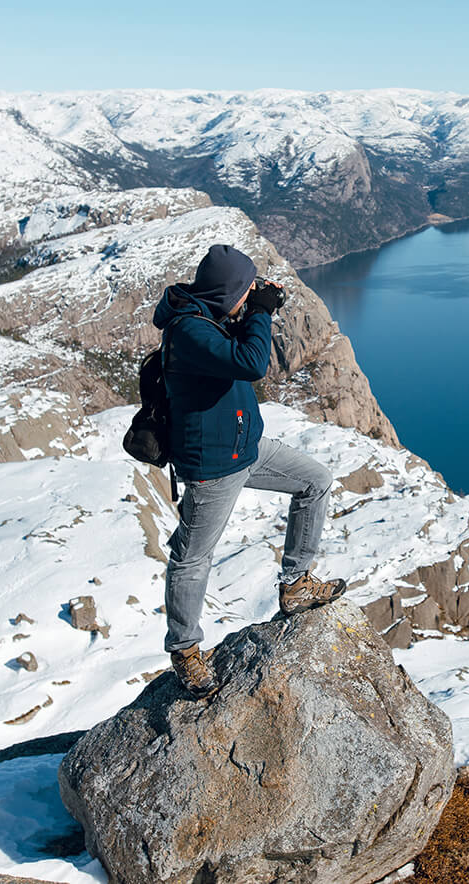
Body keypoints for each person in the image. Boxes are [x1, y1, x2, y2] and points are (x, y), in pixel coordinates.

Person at [152, 244, 345, 696]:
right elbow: (252, 363)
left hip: (246, 447)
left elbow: (237, 348)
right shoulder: (187, 331)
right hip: (213, 465)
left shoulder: (210, 314)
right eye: (246, 288)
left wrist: (252, 308)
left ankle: (295, 584)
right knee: (191, 556)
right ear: (228, 291)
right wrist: (259, 311)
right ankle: (184, 650)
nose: (251, 294)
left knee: (315, 481)